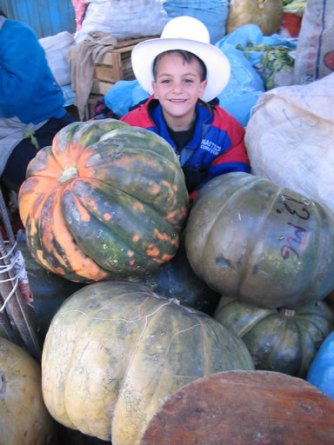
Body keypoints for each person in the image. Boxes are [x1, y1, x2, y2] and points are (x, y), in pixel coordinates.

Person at [121, 16, 250, 198]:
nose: (177, 89)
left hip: (202, 213)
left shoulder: (226, 132)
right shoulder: (131, 127)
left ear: (201, 87)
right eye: (166, 81)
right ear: (155, 89)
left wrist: (189, 203)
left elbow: (231, 185)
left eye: (188, 81)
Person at [0, 10, 75, 192]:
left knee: (61, 190)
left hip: (42, 127)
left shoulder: (17, 35)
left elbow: (12, 100)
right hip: (6, 133)